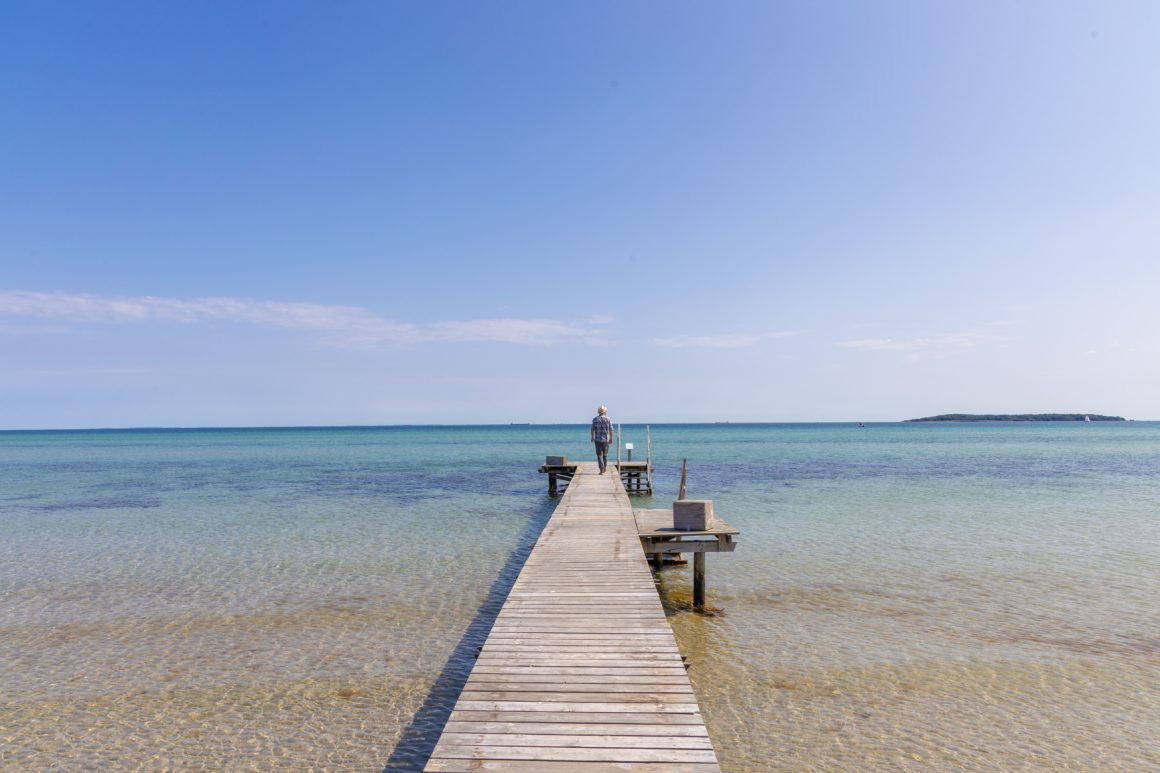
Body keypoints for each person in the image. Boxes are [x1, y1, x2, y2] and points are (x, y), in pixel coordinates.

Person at [590, 405, 614, 474]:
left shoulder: (595, 419)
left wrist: (592, 437)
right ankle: (605, 468)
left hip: (597, 440)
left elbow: (592, 429)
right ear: (604, 411)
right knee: (605, 455)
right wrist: (611, 438)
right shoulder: (608, 419)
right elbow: (611, 429)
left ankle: (601, 469)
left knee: (599, 455)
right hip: (606, 440)